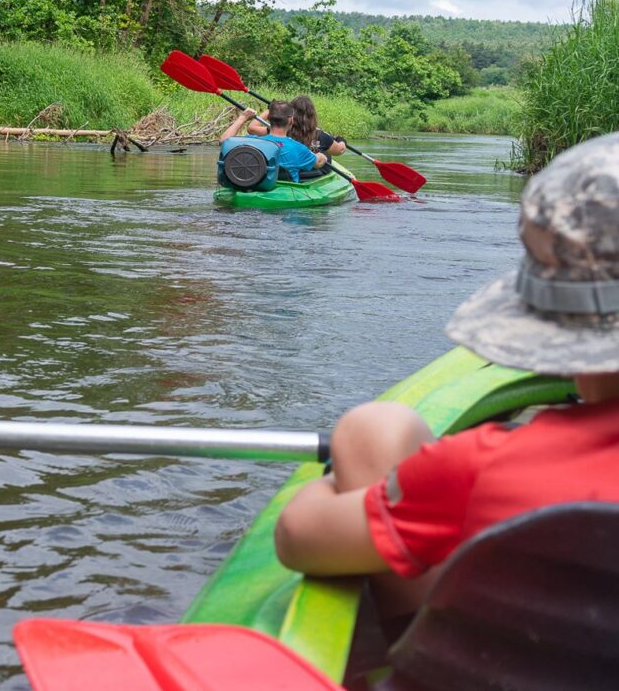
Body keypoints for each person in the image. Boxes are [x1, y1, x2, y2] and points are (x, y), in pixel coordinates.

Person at [274, 131, 619, 626]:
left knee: (370, 430)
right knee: (378, 429)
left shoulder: (484, 470)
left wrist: (341, 480)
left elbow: (298, 536)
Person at [220, 100, 327, 182]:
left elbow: (224, 141)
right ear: (291, 120)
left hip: (257, 185)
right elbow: (318, 162)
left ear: (269, 118)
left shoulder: (252, 142)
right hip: (287, 196)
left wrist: (242, 118)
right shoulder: (298, 148)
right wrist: (323, 156)